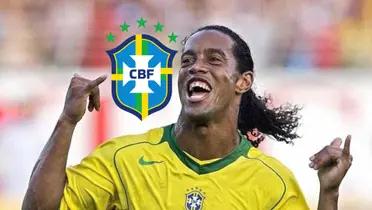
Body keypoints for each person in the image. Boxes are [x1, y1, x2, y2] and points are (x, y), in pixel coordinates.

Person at [22, 25, 352, 210]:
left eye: (214, 59)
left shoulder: (272, 183)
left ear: (243, 81)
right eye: (189, 60)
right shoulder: (122, 159)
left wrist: (329, 195)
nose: (196, 66)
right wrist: (67, 121)